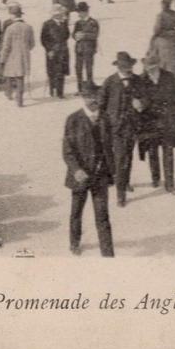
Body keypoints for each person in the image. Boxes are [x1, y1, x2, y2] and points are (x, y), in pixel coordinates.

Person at [62, 82, 115, 256]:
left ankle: (107, 253)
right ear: (83, 98)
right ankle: (75, 242)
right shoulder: (73, 120)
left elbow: (111, 146)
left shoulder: (106, 119)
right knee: (76, 212)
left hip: (100, 176)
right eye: (88, 96)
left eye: (95, 96)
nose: (93, 100)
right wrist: (76, 170)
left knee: (102, 216)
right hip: (81, 176)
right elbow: (67, 150)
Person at [139, 50, 175, 193]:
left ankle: (170, 183)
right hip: (150, 122)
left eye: (153, 66)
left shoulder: (169, 77)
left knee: (168, 151)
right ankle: (155, 178)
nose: (150, 69)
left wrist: (159, 104)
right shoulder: (142, 80)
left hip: (167, 120)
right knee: (152, 151)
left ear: (159, 65)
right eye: (148, 66)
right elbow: (139, 97)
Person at [100, 52, 147, 207]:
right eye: (126, 67)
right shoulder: (109, 82)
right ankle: (120, 194)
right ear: (119, 67)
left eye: (130, 67)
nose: (129, 70)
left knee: (128, 155)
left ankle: (125, 182)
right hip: (116, 128)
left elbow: (146, 97)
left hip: (132, 126)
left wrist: (141, 103)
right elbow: (101, 104)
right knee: (120, 159)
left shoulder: (138, 80)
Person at [0, 3, 35, 107]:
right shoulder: (28, 27)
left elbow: (6, 46)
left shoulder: (10, 28)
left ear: (13, 15)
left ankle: (9, 94)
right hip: (24, 56)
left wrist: (2, 59)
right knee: (20, 77)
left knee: (9, 75)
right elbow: (32, 44)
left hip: (11, 56)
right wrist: (25, 50)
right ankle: (20, 99)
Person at [148, 0, 175, 87]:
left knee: (165, 60)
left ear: (163, 5)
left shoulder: (160, 15)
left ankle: (167, 82)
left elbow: (157, 30)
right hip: (174, 37)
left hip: (164, 39)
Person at [41, 4, 71, 99]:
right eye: (58, 14)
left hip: (62, 50)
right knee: (51, 71)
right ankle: (52, 90)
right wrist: (49, 50)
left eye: (61, 14)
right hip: (52, 51)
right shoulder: (47, 24)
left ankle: (60, 92)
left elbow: (67, 35)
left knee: (61, 71)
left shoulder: (64, 23)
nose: (60, 15)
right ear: (53, 15)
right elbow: (43, 39)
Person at [72, 1, 100, 88]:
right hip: (79, 49)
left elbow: (95, 35)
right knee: (78, 68)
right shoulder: (78, 23)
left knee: (89, 68)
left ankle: (89, 87)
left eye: (79, 12)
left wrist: (84, 35)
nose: (78, 14)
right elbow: (73, 34)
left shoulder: (93, 22)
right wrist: (75, 36)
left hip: (89, 49)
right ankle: (80, 88)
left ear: (85, 12)